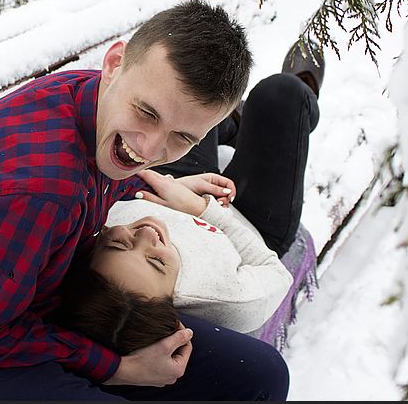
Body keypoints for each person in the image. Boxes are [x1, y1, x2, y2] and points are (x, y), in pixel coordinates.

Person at [0, 0, 289, 401]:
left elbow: (103, 174)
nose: (149, 146)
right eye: (147, 113)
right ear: (114, 64)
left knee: (261, 374)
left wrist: (162, 179)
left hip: (30, 304)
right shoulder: (42, 195)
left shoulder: (93, 99)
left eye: (182, 138)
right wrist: (115, 368)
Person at [55, 39, 325, 356]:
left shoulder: (88, 249)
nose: (147, 233)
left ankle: (226, 124)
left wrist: (174, 185)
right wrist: (201, 209)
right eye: (156, 261)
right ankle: (295, 103)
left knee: (188, 91)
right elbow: (275, 273)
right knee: (283, 94)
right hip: (248, 228)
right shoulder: (227, 300)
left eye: (121, 243)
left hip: (170, 187)